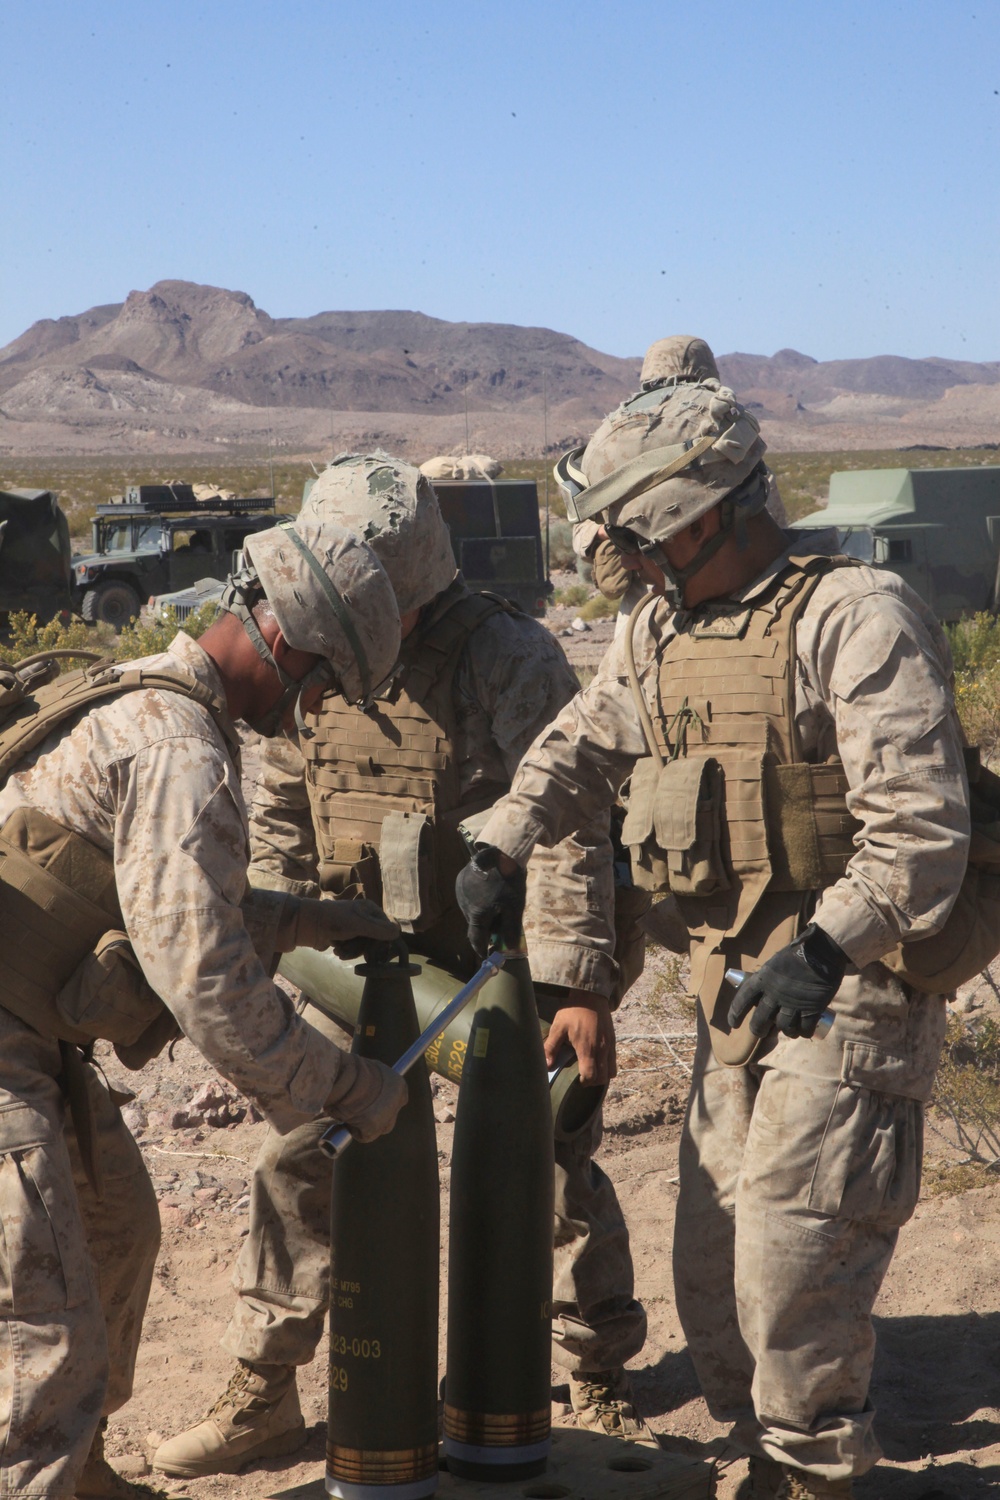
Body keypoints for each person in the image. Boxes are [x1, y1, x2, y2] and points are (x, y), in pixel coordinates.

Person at [456, 381, 969, 1500]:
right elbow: (580, 745)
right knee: (715, 1284)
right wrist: (501, 842)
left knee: (792, 1280)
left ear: (705, 513)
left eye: (644, 535)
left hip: (852, 992)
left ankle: (817, 1471)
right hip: (734, 991)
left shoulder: (854, 616)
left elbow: (923, 833)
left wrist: (826, 949)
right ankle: (767, 1454)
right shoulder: (657, 629)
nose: (627, 560)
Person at [154, 452, 649, 1480]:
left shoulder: (506, 656)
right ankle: (265, 1389)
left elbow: (569, 825)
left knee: (542, 1158)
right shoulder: (314, 644)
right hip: (358, 949)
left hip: (503, 958)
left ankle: (591, 1367)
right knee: (303, 1157)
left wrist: (576, 985)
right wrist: (280, 940)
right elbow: (288, 805)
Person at [0, 514, 408, 1499]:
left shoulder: (155, 699)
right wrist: (346, 1087)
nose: (307, 714)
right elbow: (207, 984)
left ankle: (80, 1465)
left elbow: (157, 901)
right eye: (316, 687)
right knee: (39, 1320)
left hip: (31, 1025)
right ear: (284, 638)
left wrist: (309, 917)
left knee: (114, 1227)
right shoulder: (183, 754)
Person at [570, 336, 786, 632]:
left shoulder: (735, 464)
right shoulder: (617, 461)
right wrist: (614, 534)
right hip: (646, 612)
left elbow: (764, 538)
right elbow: (580, 527)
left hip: (716, 607)